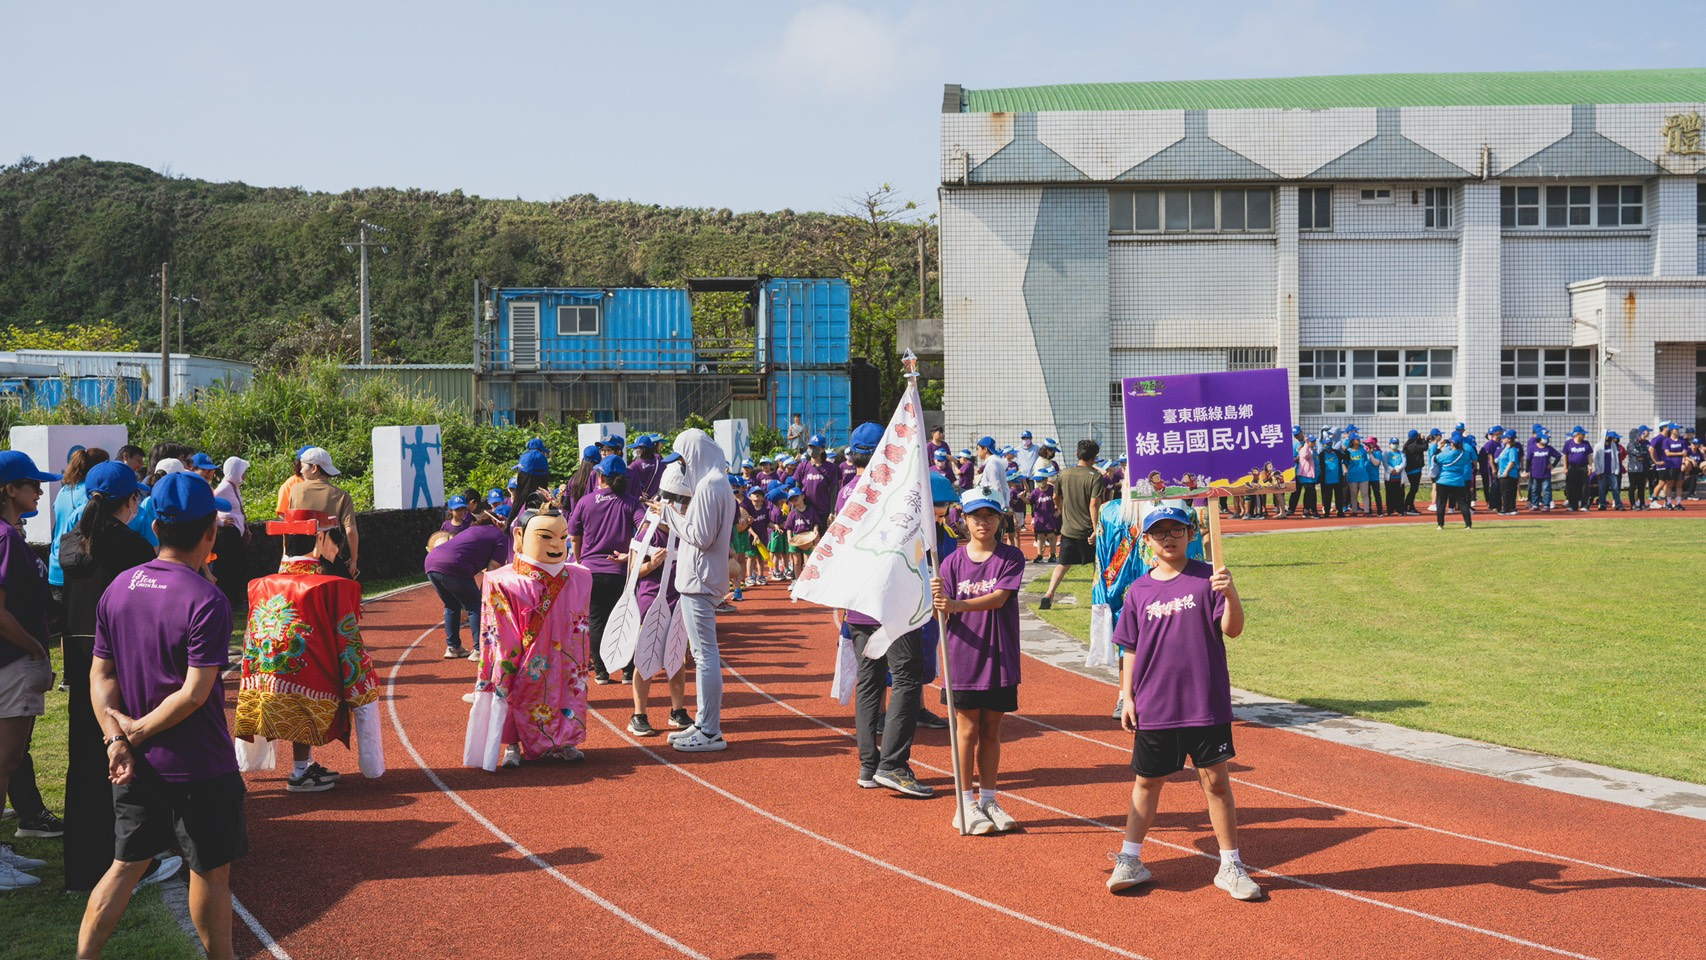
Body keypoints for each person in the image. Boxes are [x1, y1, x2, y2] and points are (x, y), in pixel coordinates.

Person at [79, 472, 246, 958]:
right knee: (210, 872)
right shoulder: (207, 601)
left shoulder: (119, 587)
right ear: (210, 533)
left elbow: (100, 676)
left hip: (136, 763)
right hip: (200, 764)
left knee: (124, 866)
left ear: (157, 528)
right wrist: (138, 730)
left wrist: (119, 740)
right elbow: (195, 694)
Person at [1105, 506, 1260, 901]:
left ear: (1191, 533)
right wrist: (1127, 695)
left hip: (1203, 700)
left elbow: (1234, 630)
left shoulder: (1209, 577)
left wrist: (1231, 592)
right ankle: (1130, 858)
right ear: (1148, 540)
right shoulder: (1139, 590)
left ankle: (1230, 864)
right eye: (1160, 532)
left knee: (1217, 783)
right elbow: (1130, 648)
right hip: (1156, 702)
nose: (1169, 538)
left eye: (1177, 530)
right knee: (1147, 781)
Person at [59, 462, 163, 891]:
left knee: (83, 761)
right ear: (131, 501)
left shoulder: (70, 543)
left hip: (80, 660)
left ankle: (82, 867)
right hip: (119, 663)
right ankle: (130, 858)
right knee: (125, 758)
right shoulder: (132, 546)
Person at [234, 510, 381, 793]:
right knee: (352, 679)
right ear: (321, 539)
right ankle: (302, 770)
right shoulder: (336, 586)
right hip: (312, 680)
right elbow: (348, 643)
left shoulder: (259, 585)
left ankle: (302, 765)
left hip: (264, 677)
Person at [463, 505, 592, 770]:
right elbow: (497, 630)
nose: (557, 544)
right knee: (515, 688)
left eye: (562, 536)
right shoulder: (504, 580)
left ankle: (564, 740)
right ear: (520, 535)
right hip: (524, 652)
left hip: (565, 652)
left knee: (566, 688)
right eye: (545, 537)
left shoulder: (579, 577)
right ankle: (513, 744)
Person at [931, 488, 1025, 835]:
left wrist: (956, 605)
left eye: (989, 516)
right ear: (964, 520)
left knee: (992, 731)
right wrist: (938, 601)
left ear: (999, 519)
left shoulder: (1011, 557)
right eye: (975, 517)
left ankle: (988, 799)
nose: (982, 522)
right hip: (963, 657)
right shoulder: (950, 563)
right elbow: (939, 612)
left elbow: (1000, 598)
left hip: (999, 656)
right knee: (966, 730)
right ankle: (964, 803)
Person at [0, 451, 60, 892]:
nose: (40, 490)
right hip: (10, 662)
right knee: (4, 762)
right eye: (31, 483)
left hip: (11, 661)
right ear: (9, 489)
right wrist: (35, 647)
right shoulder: (4, 538)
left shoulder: (9, 535)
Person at [660, 429, 734, 753]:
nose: (681, 467)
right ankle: (705, 723)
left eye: (682, 459)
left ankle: (709, 729)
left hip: (700, 580)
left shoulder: (709, 486)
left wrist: (667, 515)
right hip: (702, 579)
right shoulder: (715, 482)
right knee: (704, 656)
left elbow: (700, 536)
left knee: (705, 657)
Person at [625, 466, 693, 737]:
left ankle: (678, 710)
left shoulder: (685, 532)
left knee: (677, 658)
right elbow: (632, 570)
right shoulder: (648, 532)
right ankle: (638, 714)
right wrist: (652, 564)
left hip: (678, 601)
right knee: (647, 658)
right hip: (650, 600)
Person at [569, 455, 639, 685]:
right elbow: (646, 526)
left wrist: (580, 559)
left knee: (597, 620)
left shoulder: (586, 501)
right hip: (620, 570)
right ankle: (628, 670)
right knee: (624, 621)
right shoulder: (630, 502)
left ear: (600, 476)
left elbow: (574, 535)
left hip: (591, 570)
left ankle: (601, 671)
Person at [425, 499, 509, 660]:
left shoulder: (472, 529)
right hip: (454, 567)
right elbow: (492, 570)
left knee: (451, 605)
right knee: (475, 605)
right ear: (501, 522)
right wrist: (484, 594)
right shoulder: (499, 536)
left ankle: (453, 647)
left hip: (431, 562)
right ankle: (479, 649)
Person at [1039, 439, 1101, 611]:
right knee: (1098, 564)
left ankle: (1049, 594)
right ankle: (1100, 599)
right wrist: (1096, 530)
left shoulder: (1064, 474)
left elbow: (1055, 497)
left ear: (1077, 454)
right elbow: (1094, 504)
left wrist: (1062, 509)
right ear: (1095, 457)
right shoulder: (1095, 476)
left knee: (1063, 564)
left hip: (1069, 529)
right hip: (1089, 530)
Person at [289, 447, 359, 577]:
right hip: (329, 560)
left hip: (299, 561)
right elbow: (350, 530)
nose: (300, 470)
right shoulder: (342, 496)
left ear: (314, 468)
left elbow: (291, 525)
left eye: (303, 467)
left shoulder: (295, 490)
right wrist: (354, 561)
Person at [210, 456, 250, 615]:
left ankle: (234, 600)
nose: (245, 475)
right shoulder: (223, 488)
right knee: (227, 568)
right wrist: (219, 521)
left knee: (236, 567)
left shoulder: (234, 487)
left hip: (235, 532)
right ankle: (228, 601)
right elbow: (210, 506)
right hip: (227, 534)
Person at [793, 434, 840, 532]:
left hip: (824, 513)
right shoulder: (802, 466)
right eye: (810, 446)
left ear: (822, 449)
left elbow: (834, 492)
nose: (811, 449)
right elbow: (797, 490)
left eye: (814, 447)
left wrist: (832, 512)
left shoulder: (831, 468)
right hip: (806, 512)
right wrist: (795, 509)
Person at [1030, 464, 1060, 562]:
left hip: (1050, 518)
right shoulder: (1035, 492)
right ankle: (1039, 555)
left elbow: (1059, 498)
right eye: (1037, 481)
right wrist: (1022, 498)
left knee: (1052, 536)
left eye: (1041, 480)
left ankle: (1052, 555)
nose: (1039, 483)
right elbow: (1029, 501)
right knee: (1040, 537)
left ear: (1046, 479)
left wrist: (1059, 510)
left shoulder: (1052, 490)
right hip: (1040, 519)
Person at [1560, 427, 1593, 512]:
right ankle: (1573, 505)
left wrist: (1590, 466)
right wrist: (1565, 467)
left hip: (1583, 467)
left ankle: (1584, 505)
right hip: (1572, 467)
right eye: (1583, 434)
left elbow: (1589, 455)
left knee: (1584, 487)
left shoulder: (1586, 443)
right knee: (1572, 487)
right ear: (1577, 434)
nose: (1584, 435)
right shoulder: (1568, 443)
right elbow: (1565, 456)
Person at [1528, 432, 1561, 512]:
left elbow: (1558, 456)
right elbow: (1528, 460)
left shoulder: (1549, 448)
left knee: (1546, 490)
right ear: (1539, 439)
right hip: (1535, 473)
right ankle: (1535, 505)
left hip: (1546, 474)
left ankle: (1546, 505)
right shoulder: (1532, 448)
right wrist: (1527, 471)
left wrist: (1553, 465)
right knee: (1535, 490)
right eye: (1545, 438)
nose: (1547, 440)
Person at [1595, 431, 1625, 510]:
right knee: (1602, 489)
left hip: (1611, 472)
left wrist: (1616, 470)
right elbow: (1596, 460)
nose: (1610, 439)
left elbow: (1616, 459)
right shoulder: (1598, 446)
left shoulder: (1613, 446)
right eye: (1609, 437)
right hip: (1602, 472)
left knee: (1615, 489)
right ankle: (1602, 504)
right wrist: (1598, 471)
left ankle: (1618, 505)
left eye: (1611, 437)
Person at [1495, 431, 1523, 516]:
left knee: (1507, 492)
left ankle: (1507, 509)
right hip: (1503, 473)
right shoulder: (1505, 448)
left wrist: (1506, 472)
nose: (1502, 439)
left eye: (1504, 438)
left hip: (1509, 474)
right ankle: (1511, 508)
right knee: (1505, 491)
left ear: (1509, 439)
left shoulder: (1512, 449)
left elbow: (1512, 462)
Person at [628, 435, 663, 500]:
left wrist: (638, 492)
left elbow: (627, 484)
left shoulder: (635, 465)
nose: (635, 450)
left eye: (637, 448)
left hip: (642, 501)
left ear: (643, 449)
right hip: (657, 500)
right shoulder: (659, 460)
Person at [1401, 429, 1428, 515]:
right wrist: (1424, 439)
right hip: (1415, 471)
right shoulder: (1414, 446)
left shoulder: (1408, 445)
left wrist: (1421, 440)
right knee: (1414, 489)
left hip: (1410, 471)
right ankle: (1406, 505)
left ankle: (1411, 506)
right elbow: (1425, 447)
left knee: (1413, 489)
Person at [1626, 426, 1652, 510]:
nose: (1639, 436)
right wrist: (1643, 455)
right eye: (1638, 435)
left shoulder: (1642, 444)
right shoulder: (1630, 444)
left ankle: (1642, 504)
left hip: (1642, 468)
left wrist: (1643, 455)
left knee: (1641, 487)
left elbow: (1646, 454)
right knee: (1633, 487)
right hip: (1633, 469)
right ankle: (1633, 504)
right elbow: (1638, 454)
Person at [1383, 439, 1407, 516]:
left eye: (1396, 443)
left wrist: (1398, 468)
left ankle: (1400, 510)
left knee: (1400, 494)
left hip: (1399, 477)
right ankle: (1390, 510)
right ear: (1390, 444)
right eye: (1393, 443)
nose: (1395, 445)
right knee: (1390, 494)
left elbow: (1404, 462)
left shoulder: (1401, 453)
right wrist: (1391, 469)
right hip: (1390, 477)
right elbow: (1385, 463)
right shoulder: (1386, 453)